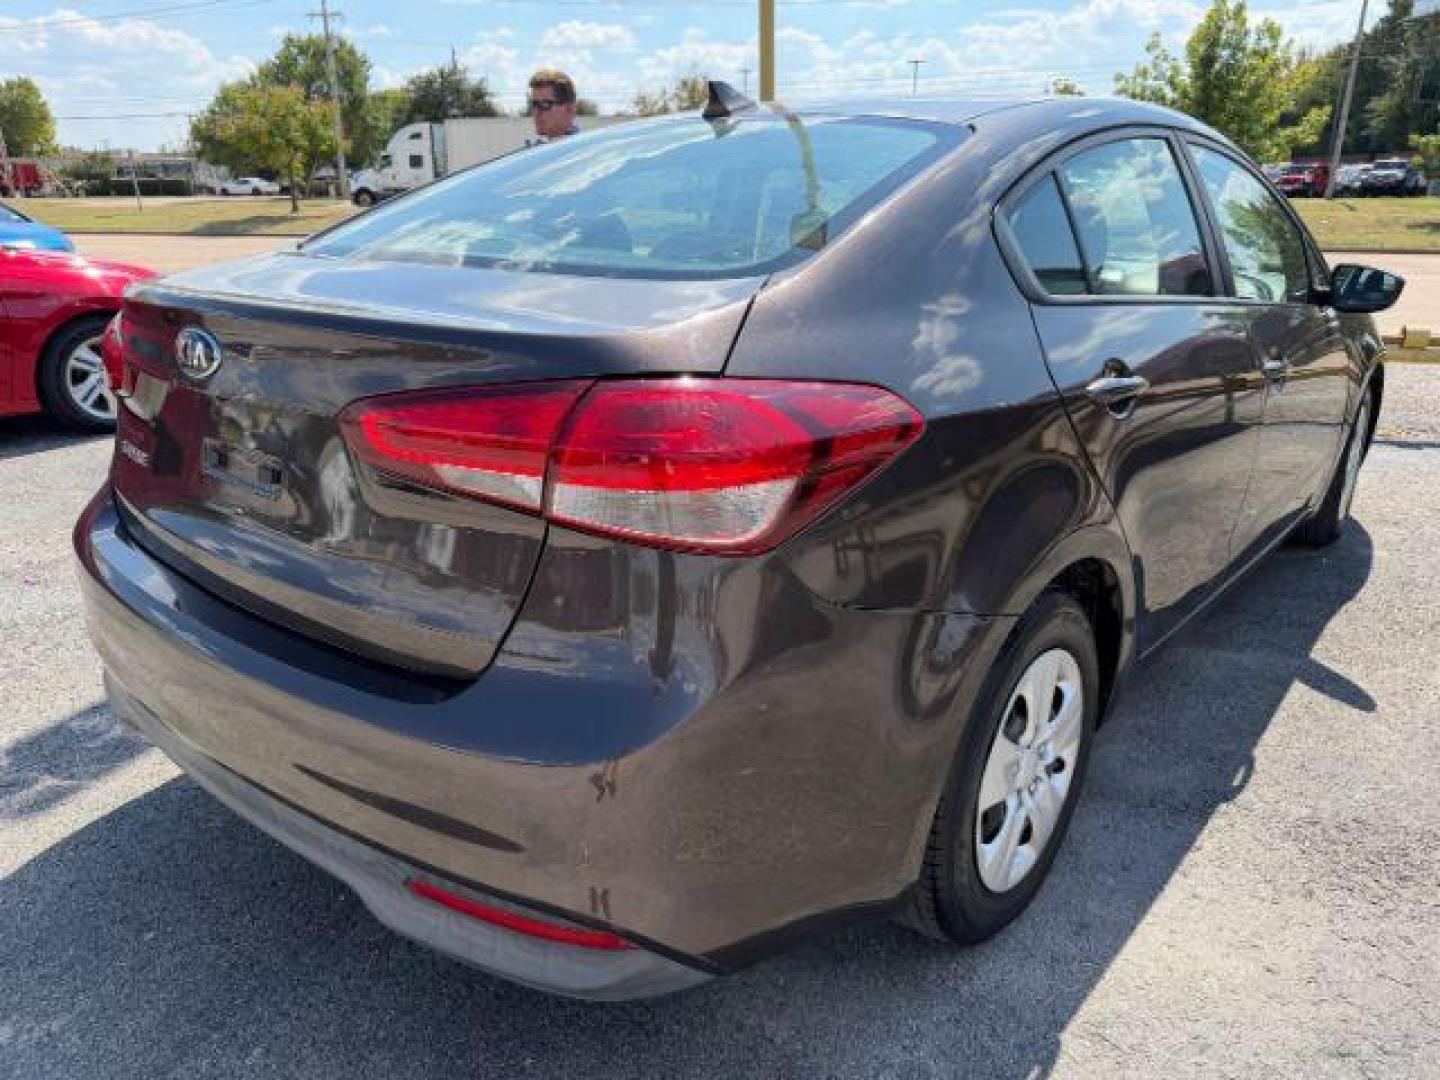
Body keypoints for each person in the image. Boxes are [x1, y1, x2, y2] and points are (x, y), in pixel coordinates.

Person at [527, 70, 580, 144]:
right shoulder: (538, 150)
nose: (537, 112)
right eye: (534, 104)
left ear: (570, 108)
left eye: (545, 104)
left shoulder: (583, 152)